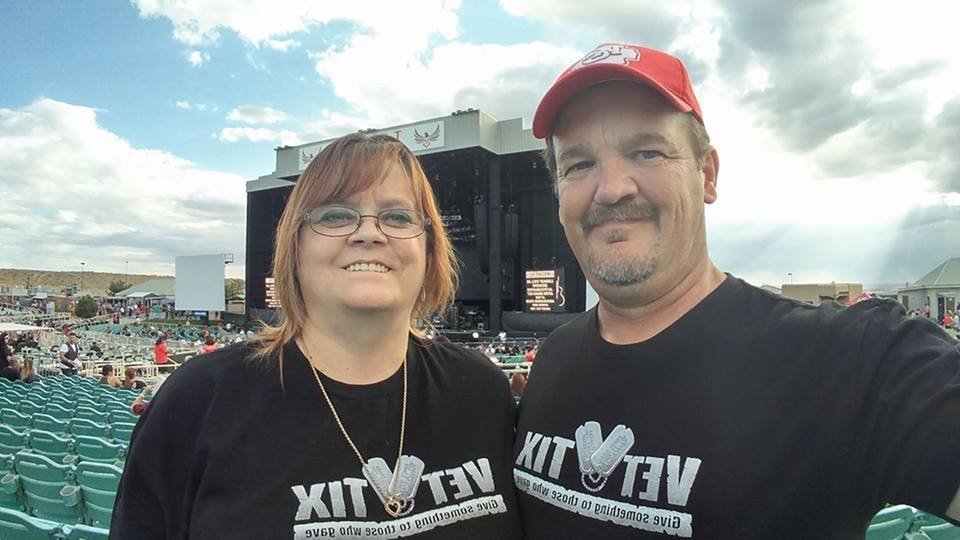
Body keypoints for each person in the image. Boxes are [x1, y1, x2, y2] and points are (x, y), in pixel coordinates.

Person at [513, 43, 960, 538]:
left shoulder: (850, 360)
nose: (612, 188)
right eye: (579, 165)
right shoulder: (553, 358)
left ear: (707, 174)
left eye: (647, 152)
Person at [113, 133, 522, 538]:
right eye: (336, 215)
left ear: (429, 249)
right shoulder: (198, 401)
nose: (369, 233)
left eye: (398, 217)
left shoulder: (480, 391)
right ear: (295, 246)